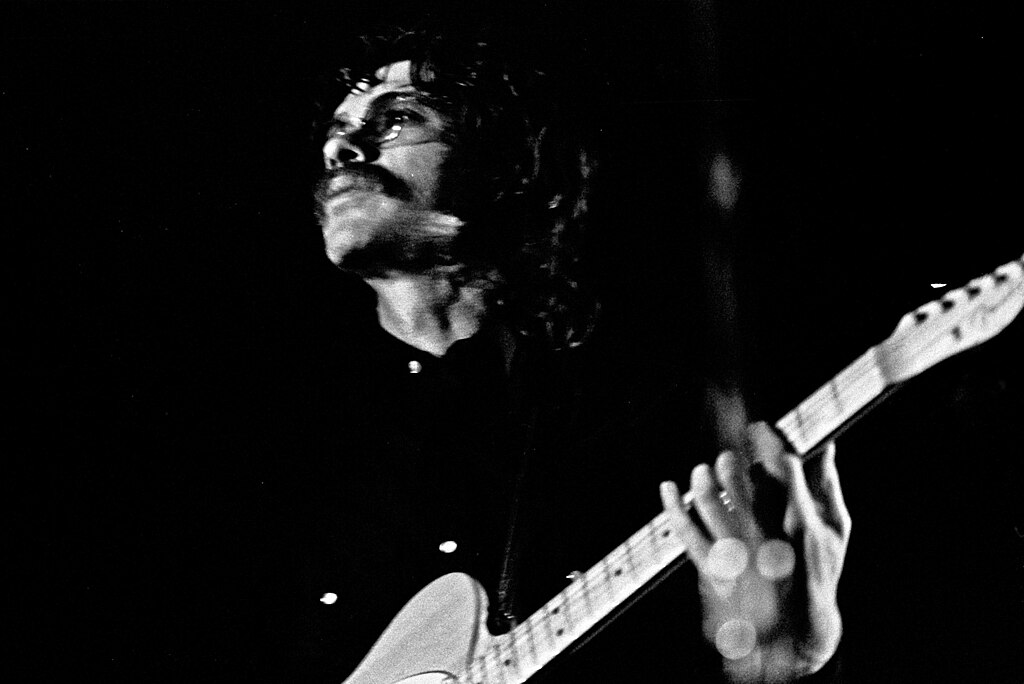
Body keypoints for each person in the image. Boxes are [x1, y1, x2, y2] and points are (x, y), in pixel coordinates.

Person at [295, 29, 850, 683]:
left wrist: (797, 654)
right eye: (339, 129)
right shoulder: (292, 456)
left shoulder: (639, 423)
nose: (344, 148)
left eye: (398, 119)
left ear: (508, 167)